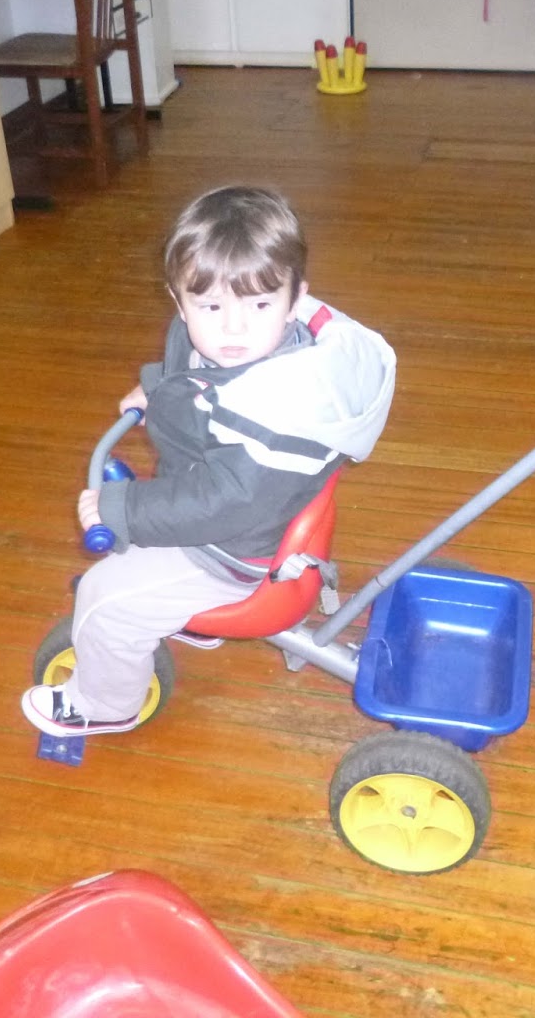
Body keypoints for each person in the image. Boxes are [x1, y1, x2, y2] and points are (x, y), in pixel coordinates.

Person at [21, 186, 397, 737]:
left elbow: (226, 502)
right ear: (180, 301)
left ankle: (104, 704)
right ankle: (179, 617)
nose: (232, 329)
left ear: (296, 299)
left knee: (105, 601)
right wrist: (157, 389)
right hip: (232, 512)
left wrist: (122, 509)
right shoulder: (239, 342)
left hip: (230, 552)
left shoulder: (277, 409)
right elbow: (192, 373)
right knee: (139, 539)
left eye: (259, 305)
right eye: (210, 307)